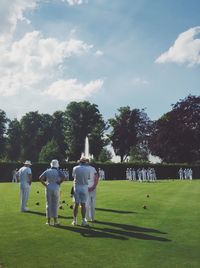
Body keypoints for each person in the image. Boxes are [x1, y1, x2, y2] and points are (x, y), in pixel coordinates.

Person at [39, 159, 65, 226]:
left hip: (49, 186)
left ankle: (48, 221)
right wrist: (59, 182)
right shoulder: (58, 171)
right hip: (56, 186)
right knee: (55, 204)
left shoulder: (47, 171)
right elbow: (64, 177)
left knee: (48, 204)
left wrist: (45, 184)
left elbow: (40, 178)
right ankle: (56, 221)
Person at [72, 157, 90, 226]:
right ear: (85, 162)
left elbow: (73, 176)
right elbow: (88, 178)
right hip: (84, 187)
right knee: (83, 204)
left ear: (79, 162)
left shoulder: (75, 168)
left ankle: (75, 221)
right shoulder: (87, 169)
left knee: (76, 204)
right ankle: (83, 221)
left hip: (77, 187)